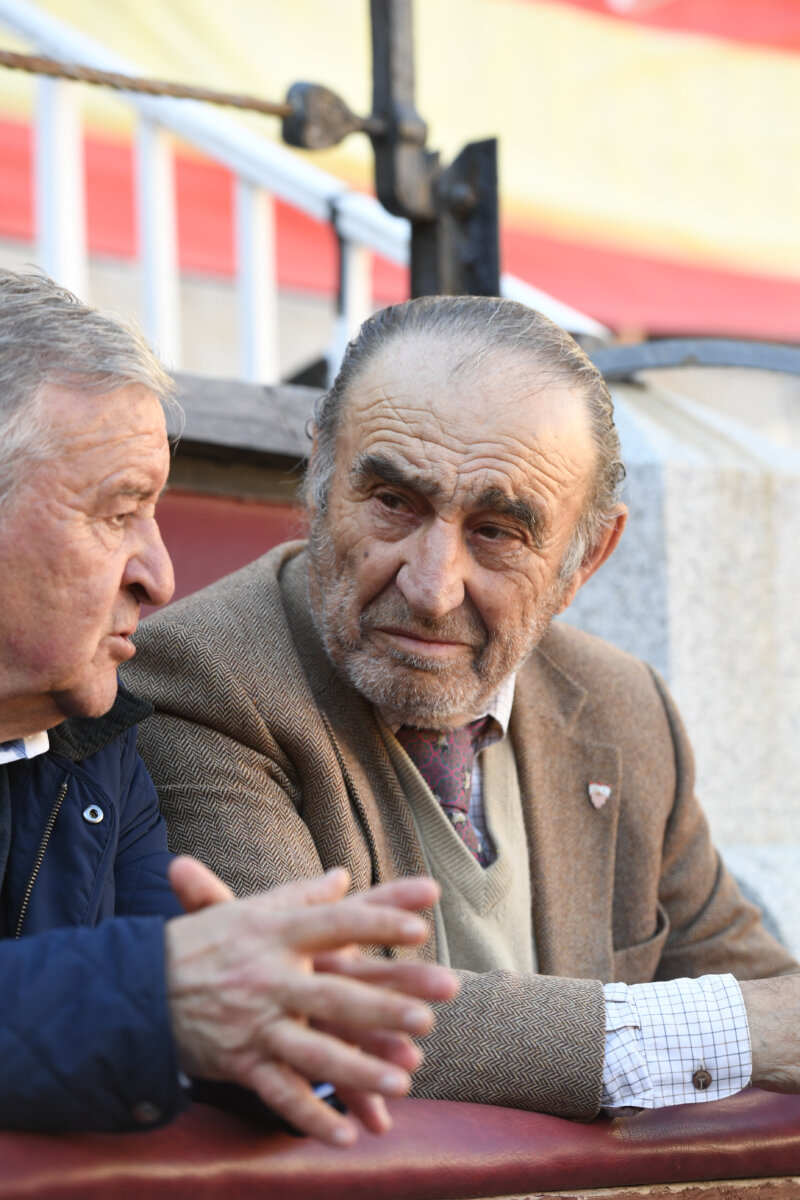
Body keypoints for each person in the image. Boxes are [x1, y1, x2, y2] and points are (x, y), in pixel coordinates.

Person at [129, 295, 800, 1121]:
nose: (431, 586)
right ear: (321, 477)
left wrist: (750, 1021)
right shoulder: (200, 680)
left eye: (497, 531)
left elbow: (767, 995)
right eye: (393, 502)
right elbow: (305, 1009)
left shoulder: (625, 709)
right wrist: (729, 1029)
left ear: (587, 559)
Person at [0, 269, 459, 1142]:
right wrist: (155, 995)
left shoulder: (99, 749)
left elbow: (193, 1007)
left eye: (155, 514)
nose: (160, 577)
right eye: (118, 513)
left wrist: (286, 1025)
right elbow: (153, 993)